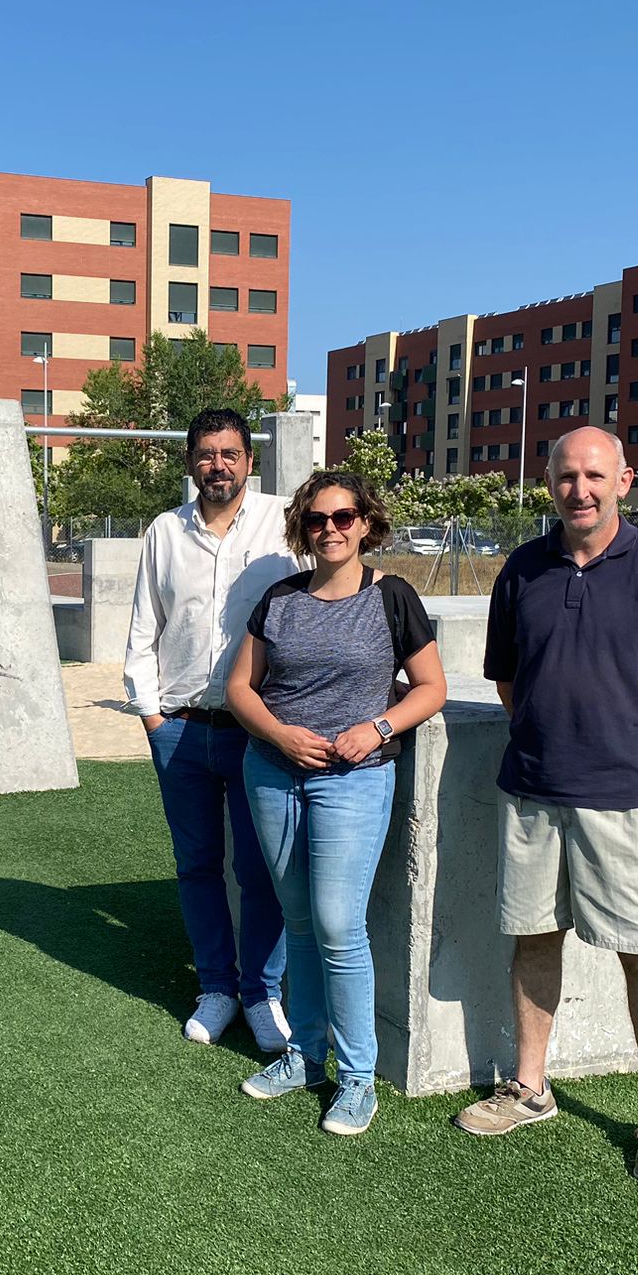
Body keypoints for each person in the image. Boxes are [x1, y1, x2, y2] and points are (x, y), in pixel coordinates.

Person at [457, 426, 638, 1183]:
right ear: (549, 483)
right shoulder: (521, 570)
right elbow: (510, 681)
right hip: (535, 795)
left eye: (595, 475)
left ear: (624, 481)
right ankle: (530, 1086)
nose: (581, 489)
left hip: (632, 804)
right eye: (567, 476)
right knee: (535, 938)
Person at [225, 471, 446, 1136]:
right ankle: (305, 1053)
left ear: (365, 523)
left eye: (343, 517)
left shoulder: (392, 596)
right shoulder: (280, 599)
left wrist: (377, 728)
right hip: (273, 772)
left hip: (354, 778)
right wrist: (280, 735)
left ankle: (357, 1077)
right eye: (317, 519)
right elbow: (241, 688)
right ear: (303, 527)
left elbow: (430, 687)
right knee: (298, 921)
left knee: (338, 925)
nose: (330, 529)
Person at [126, 409, 299, 1051]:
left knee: (261, 870)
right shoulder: (164, 532)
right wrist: (152, 716)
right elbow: (144, 628)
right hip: (180, 729)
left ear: (250, 461)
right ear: (190, 462)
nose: (218, 465)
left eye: (230, 453)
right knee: (197, 866)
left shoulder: (284, 525)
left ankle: (262, 993)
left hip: (259, 732)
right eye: (206, 453)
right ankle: (217, 988)